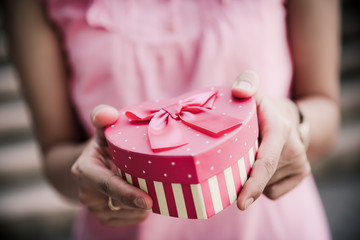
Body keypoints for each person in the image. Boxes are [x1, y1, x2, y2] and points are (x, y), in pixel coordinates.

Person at [2, 0, 340, 239]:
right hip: (121, 231)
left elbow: (325, 107)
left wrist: (293, 122)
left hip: (274, 227)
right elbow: (55, 152)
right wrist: (87, 176)